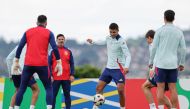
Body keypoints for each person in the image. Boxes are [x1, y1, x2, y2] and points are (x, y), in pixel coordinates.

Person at [12, 15, 62, 109]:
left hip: (28, 64)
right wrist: (59, 62)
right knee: (48, 87)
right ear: (46, 23)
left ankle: (16, 107)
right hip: (42, 65)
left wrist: (16, 60)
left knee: (22, 88)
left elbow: (20, 47)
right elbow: (54, 48)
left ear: (36, 22)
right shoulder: (49, 33)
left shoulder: (28, 32)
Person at [87, 23, 131, 109]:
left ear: (118, 31)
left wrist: (126, 66)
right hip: (108, 69)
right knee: (98, 88)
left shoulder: (121, 41)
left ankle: (123, 108)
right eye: (110, 32)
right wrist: (92, 42)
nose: (112, 34)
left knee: (120, 90)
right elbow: (102, 43)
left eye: (114, 32)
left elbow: (128, 55)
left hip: (118, 69)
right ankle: (96, 107)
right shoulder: (108, 38)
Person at [149, 10, 186, 109]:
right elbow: (183, 49)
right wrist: (182, 63)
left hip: (161, 64)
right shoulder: (179, 32)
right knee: (173, 89)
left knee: (160, 89)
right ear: (174, 18)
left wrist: (151, 62)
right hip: (173, 64)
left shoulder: (159, 31)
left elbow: (154, 48)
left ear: (164, 18)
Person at [141, 30, 171, 109]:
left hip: (158, 70)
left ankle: (153, 107)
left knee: (145, 87)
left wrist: (152, 69)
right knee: (161, 95)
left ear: (150, 38)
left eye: (147, 39)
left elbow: (156, 58)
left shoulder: (152, 45)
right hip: (167, 70)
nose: (147, 41)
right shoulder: (160, 44)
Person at [49, 34, 75, 109]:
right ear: (56, 40)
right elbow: (48, 64)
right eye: (59, 39)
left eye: (62, 39)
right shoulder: (53, 51)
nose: (61, 40)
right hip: (55, 78)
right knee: (53, 96)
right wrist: (50, 75)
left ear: (64, 40)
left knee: (67, 95)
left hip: (66, 78)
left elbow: (72, 64)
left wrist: (72, 74)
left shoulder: (68, 51)